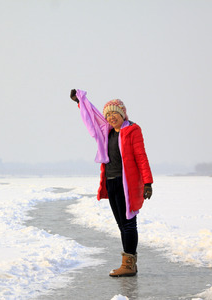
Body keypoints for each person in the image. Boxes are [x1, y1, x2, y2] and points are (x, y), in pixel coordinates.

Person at [70, 89, 153, 277]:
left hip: (127, 184)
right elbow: (92, 118)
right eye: (108, 114)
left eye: (114, 113)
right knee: (121, 224)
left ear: (122, 114)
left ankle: (129, 264)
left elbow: (141, 157)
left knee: (129, 223)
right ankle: (130, 263)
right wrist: (79, 102)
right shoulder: (106, 132)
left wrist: (147, 182)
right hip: (111, 182)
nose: (110, 117)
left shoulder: (132, 130)